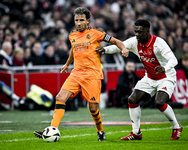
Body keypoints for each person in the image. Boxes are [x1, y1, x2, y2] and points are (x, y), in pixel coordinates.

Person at [33, 7, 129, 141]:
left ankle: (100, 131)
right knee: (60, 97)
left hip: (92, 74)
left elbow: (115, 41)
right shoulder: (72, 35)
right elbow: (73, 50)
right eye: (76, 20)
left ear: (88, 20)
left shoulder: (96, 33)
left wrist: (123, 48)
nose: (78, 23)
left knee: (93, 108)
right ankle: (52, 129)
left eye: (81, 20)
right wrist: (67, 64)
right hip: (76, 73)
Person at [96, 19, 182, 140]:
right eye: (136, 31)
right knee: (132, 99)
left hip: (166, 77)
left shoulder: (159, 42)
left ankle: (176, 126)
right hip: (150, 77)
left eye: (140, 32)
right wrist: (105, 50)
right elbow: (119, 46)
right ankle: (136, 132)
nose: (137, 34)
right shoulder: (134, 41)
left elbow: (174, 60)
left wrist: (164, 68)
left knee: (159, 102)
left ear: (148, 31)